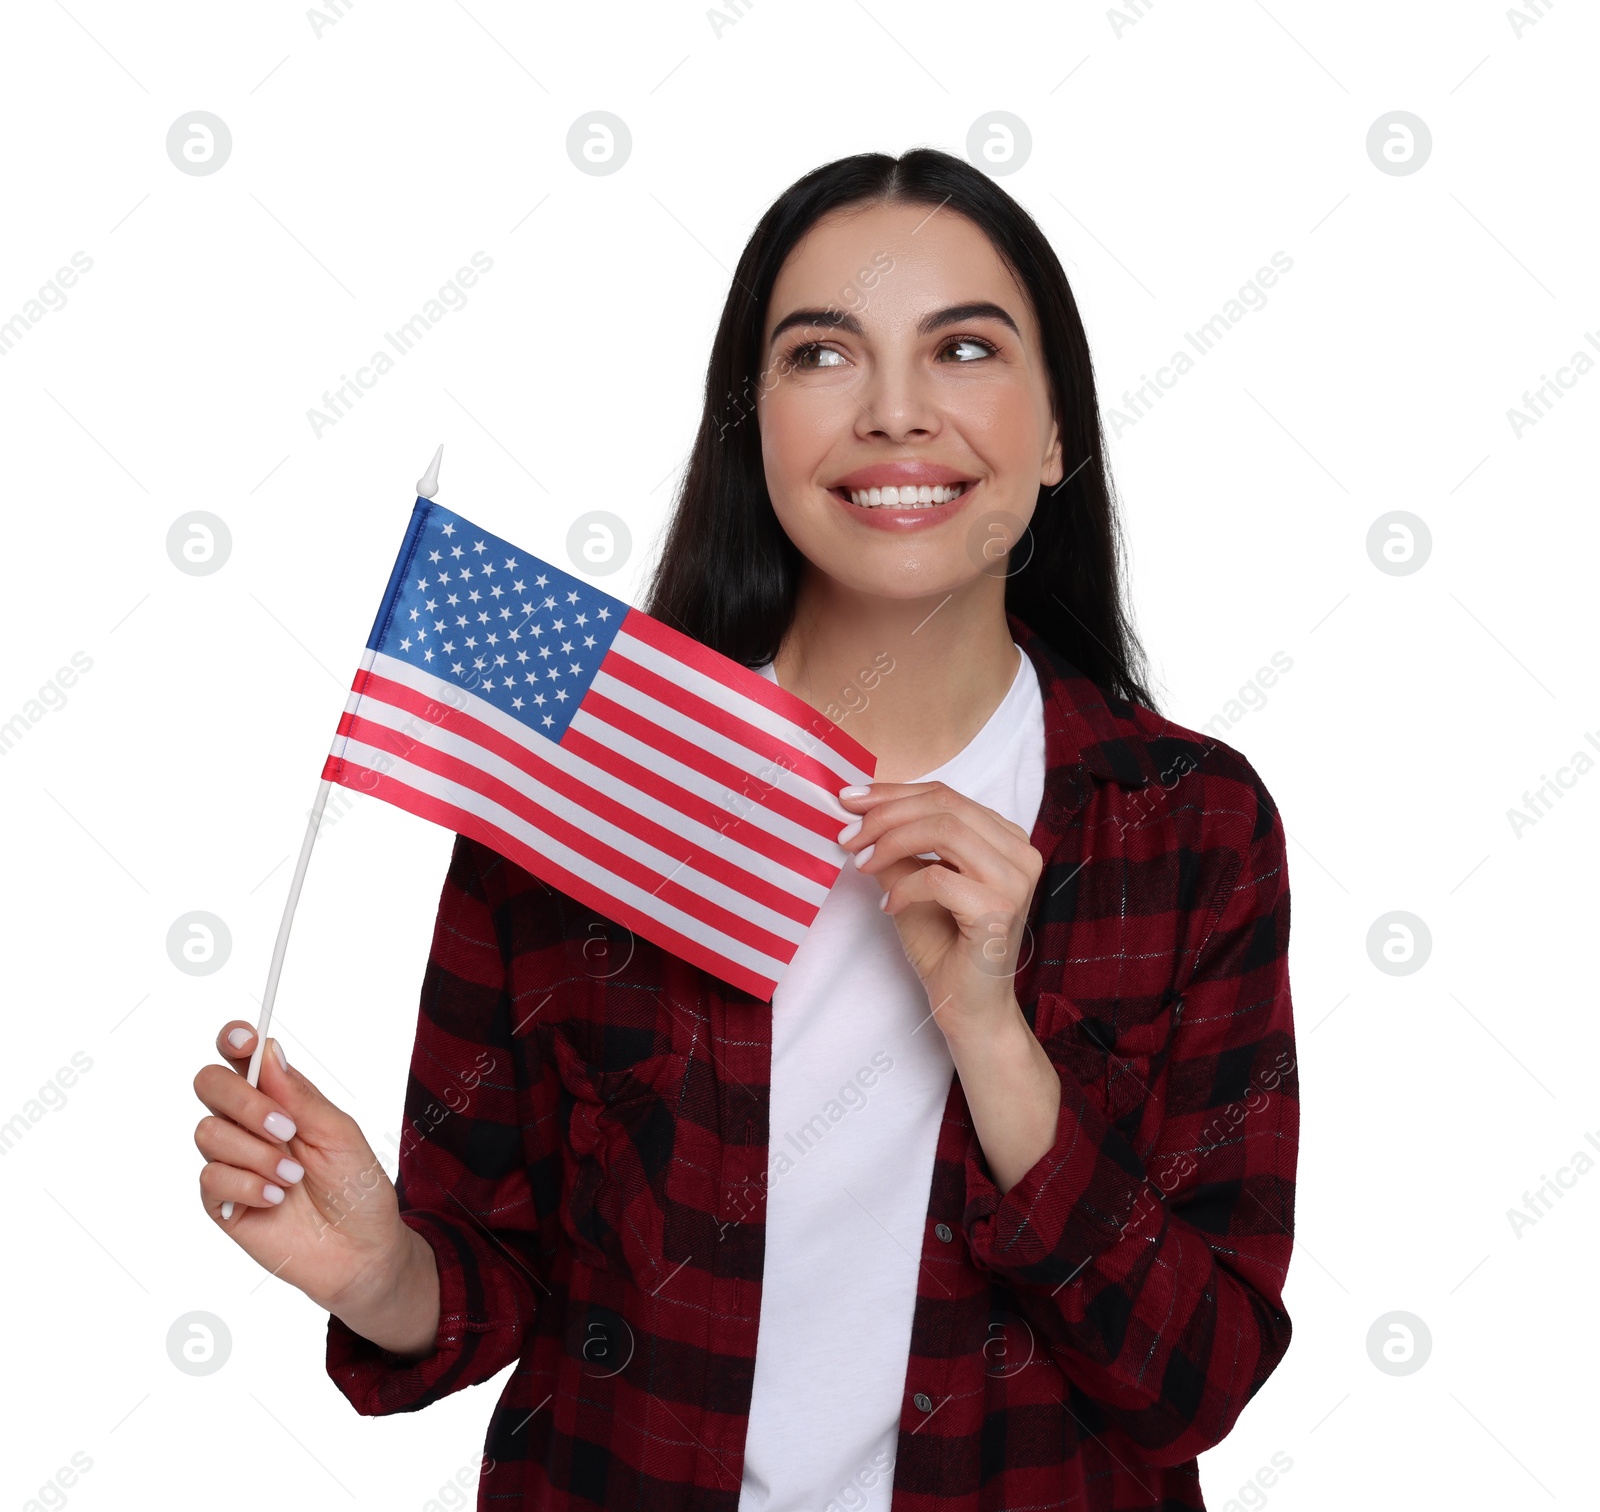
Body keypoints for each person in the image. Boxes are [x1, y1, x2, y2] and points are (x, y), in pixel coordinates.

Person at [193, 147, 1297, 1511]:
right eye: (823, 355)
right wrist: (380, 1276)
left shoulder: (1187, 825)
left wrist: (994, 1040)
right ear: (751, 422)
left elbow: (1198, 1382)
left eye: (963, 348)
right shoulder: (583, 764)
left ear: (1061, 429)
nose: (897, 413)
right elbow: (495, 1272)